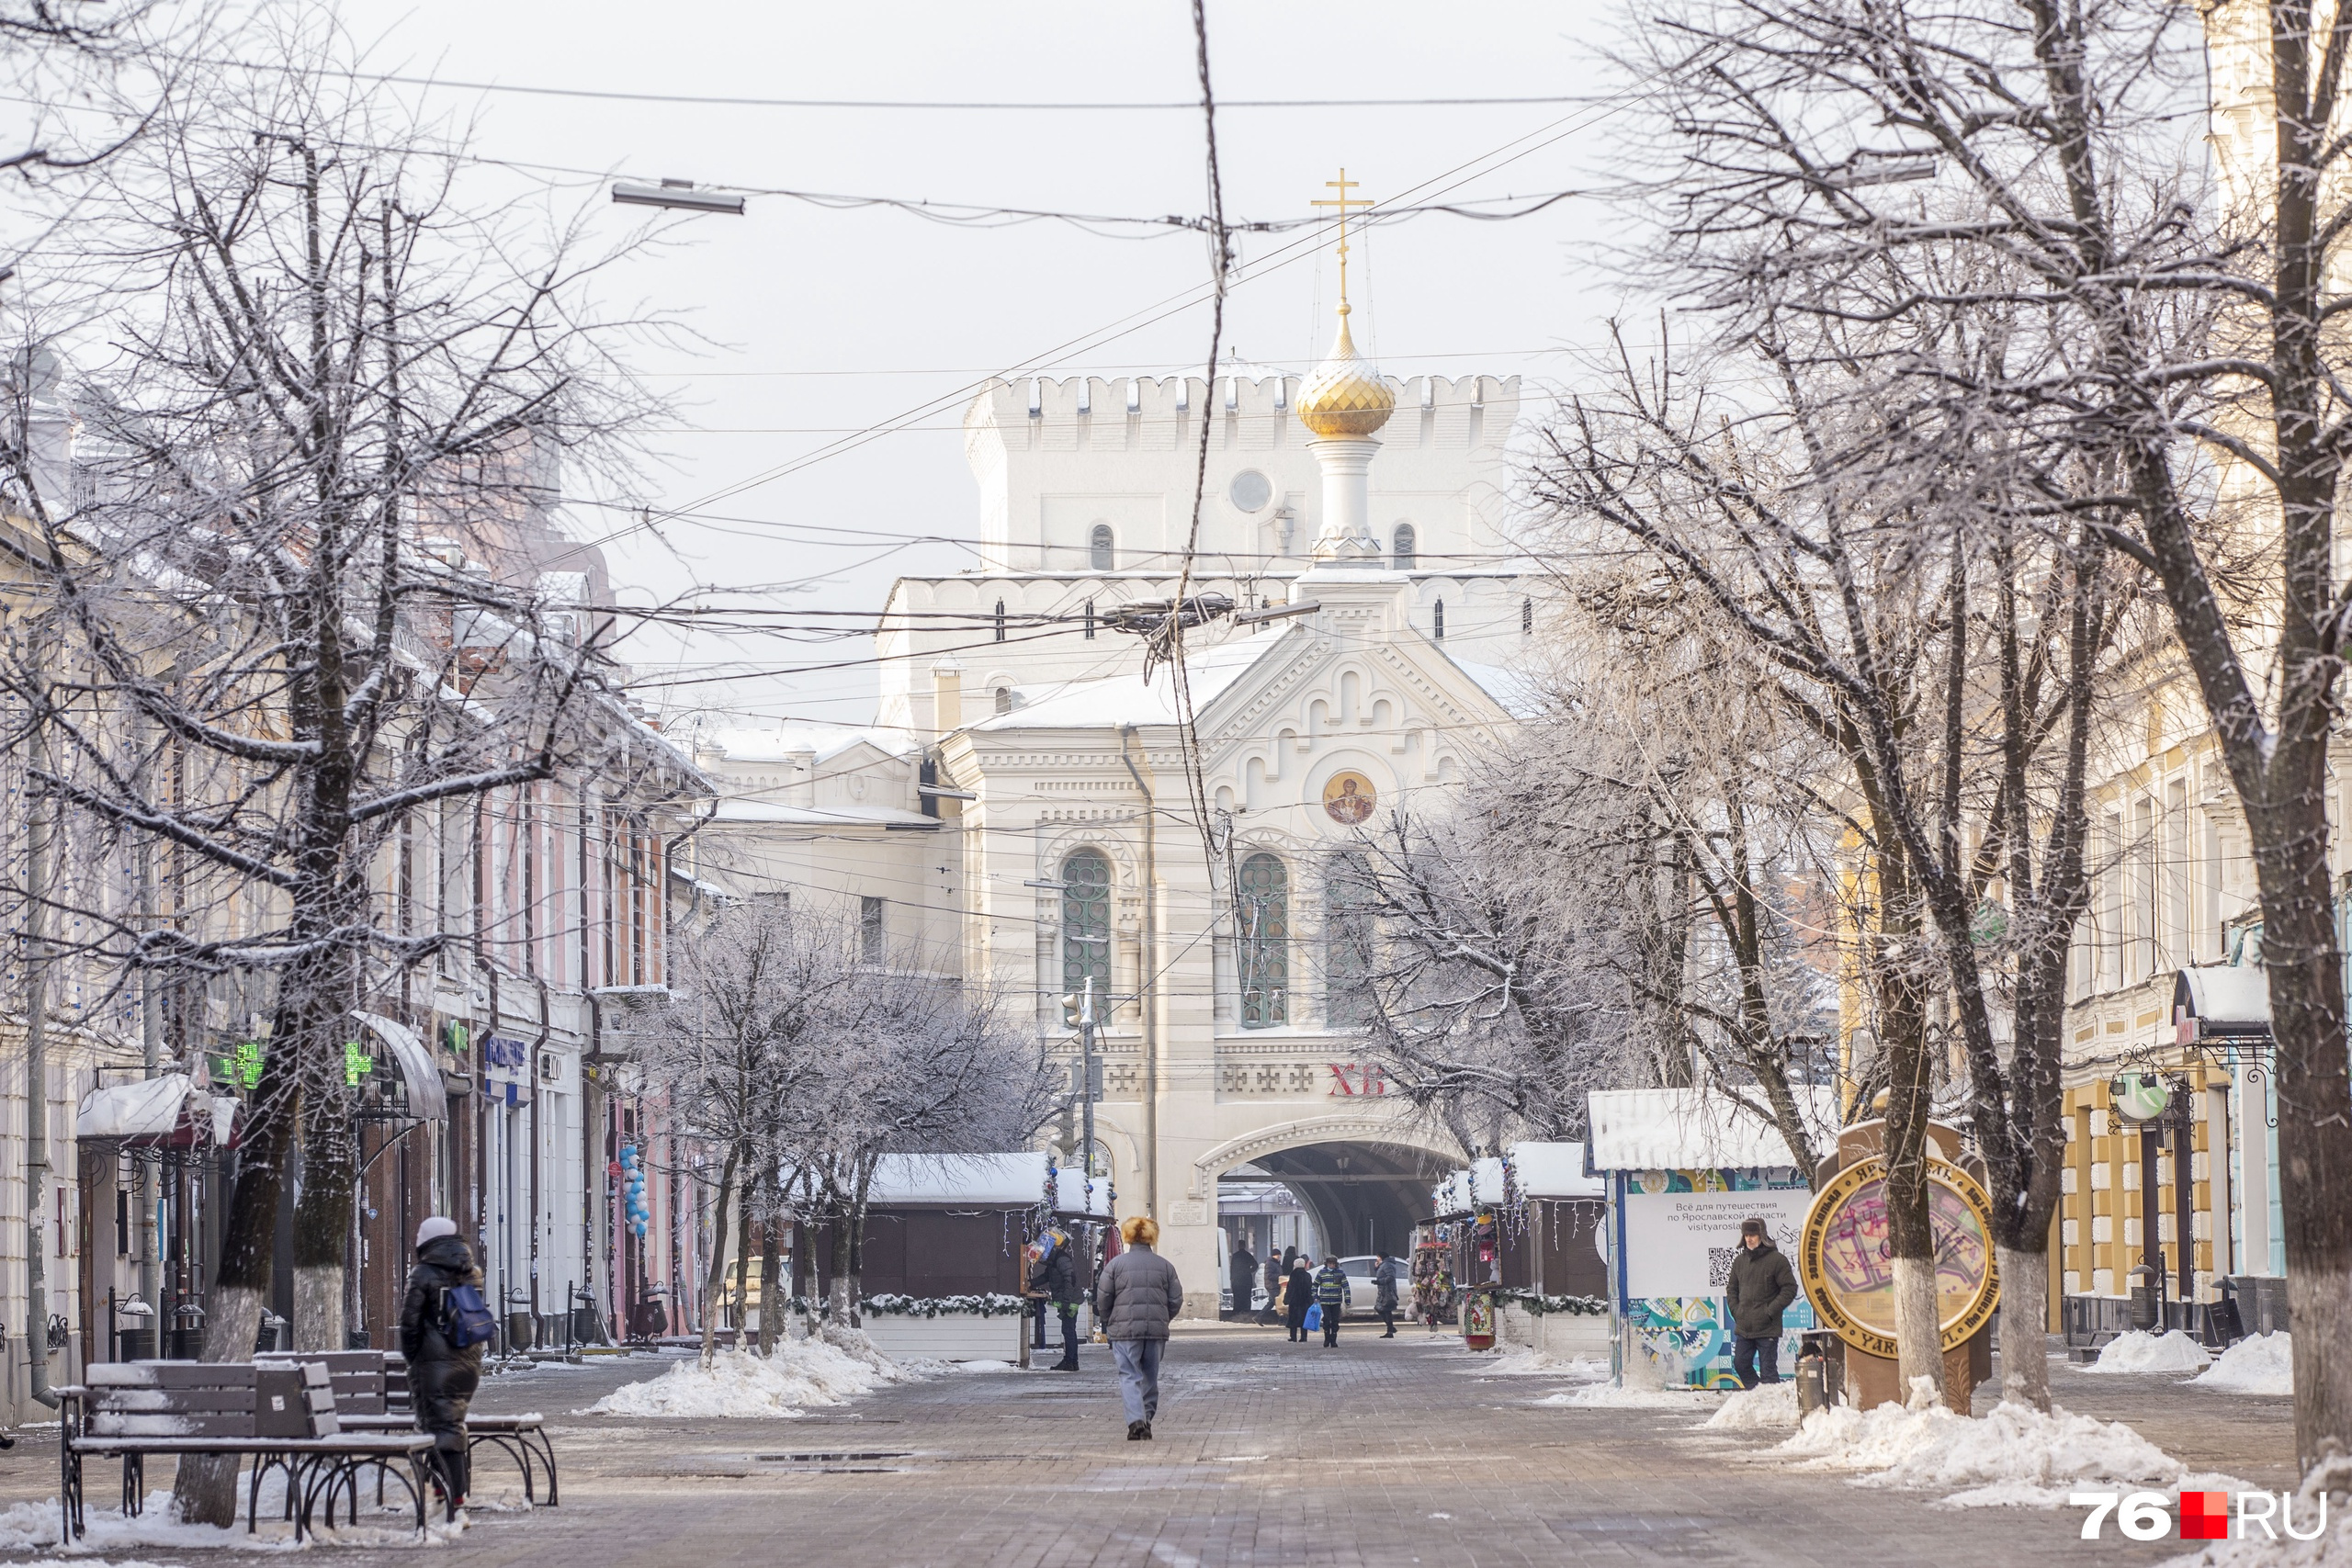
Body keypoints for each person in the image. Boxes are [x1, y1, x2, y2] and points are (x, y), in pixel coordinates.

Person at [399, 1216, 483, 1512]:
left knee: (438, 1428)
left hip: (434, 1365)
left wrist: (415, 1358)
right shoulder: (472, 1272)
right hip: (468, 1361)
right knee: (452, 1425)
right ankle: (452, 1492)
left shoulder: (422, 1274)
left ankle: (445, 1493)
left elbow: (409, 1326)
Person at [1094, 1214, 1182, 1440]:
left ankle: (1135, 1421)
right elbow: (1175, 1300)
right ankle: (1148, 1420)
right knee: (1150, 1377)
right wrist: (1163, 1318)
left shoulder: (1115, 1265)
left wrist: (1109, 1320)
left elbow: (1104, 1298)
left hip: (1124, 1333)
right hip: (1156, 1332)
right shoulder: (1165, 1266)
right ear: (1152, 1238)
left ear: (1127, 1237)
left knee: (1129, 1375)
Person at [1724, 1217, 1798, 1390]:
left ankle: (1773, 1405)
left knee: (1768, 1371)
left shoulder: (1777, 1260)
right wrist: (1737, 1311)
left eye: (1753, 1234)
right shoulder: (1739, 1261)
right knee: (1741, 1364)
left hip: (1767, 1327)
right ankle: (1758, 1395)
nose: (1749, 1238)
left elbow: (1789, 1288)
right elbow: (1731, 1289)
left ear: (1762, 1235)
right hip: (1744, 1327)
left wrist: (1769, 1311)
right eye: (1746, 1235)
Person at [1031, 1231, 1084, 1371]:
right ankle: (1071, 1361)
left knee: (1068, 1330)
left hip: (1070, 1301)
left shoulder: (1061, 1260)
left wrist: (1066, 1301)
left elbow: (1070, 1280)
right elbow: (1046, 1277)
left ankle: (1071, 1362)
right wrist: (1030, 1283)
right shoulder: (1055, 1261)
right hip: (1069, 1299)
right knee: (1068, 1330)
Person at [1313, 1256, 1349, 1348]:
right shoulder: (1322, 1273)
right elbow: (1315, 1285)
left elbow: (1346, 1286)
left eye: (1333, 1264)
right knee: (1327, 1319)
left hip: (1336, 1300)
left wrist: (1348, 1298)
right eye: (1330, 1264)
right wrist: (1315, 1296)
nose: (1332, 1265)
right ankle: (1327, 1337)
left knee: (1335, 1320)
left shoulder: (1340, 1273)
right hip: (1325, 1300)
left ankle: (1333, 1338)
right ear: (1327, 1264)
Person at [1372, 1250, 1405, 1337]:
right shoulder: (1383, 1265)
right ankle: (1390, 1328)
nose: (1377, 1259)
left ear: (1381, 1257)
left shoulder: (1387, 1265)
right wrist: (1376, 1268)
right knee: (1382, 1308)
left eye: (1378, 1257)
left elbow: (1390, 1277)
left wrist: (1379, 1282)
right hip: (1383, 1290)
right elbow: (1382, 1274)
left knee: (1386, 1309)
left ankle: (1390, 1330)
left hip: (1387, 1290)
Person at [1283, 1254, 1314, 1343]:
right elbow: (1309, 1289)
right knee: (1304, 1319)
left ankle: (1293, 1337)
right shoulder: (1307, 1275)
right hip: (1305, 1301)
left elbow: (1290, 1288)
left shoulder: (1293, 1275)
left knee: (1293, 1319)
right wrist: (1310, 1300)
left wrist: (1286, 1299)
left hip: (1294, 1301)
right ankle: (1304, 1337)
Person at [1228, 1236, 1256, 1319]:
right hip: (1247, 1279)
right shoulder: (1248, 1255)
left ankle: (1237, 1311)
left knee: (1237, 1296)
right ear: (1245, 1246)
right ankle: (1246, 1310)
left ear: (1238, 1246)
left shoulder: (1235, 1256)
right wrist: (1249, 1271)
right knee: (1247, 1296)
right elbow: (1255, 1265)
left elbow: (1232, 1267)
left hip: (1237, 1279)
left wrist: (1232, 1278)